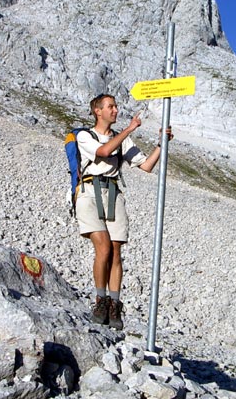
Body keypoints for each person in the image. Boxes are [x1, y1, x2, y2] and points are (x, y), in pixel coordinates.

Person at [75, 93, 173, 330]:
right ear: (97, 111)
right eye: (111, 106)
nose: (115, 110)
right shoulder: (85, 136)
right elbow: (104, 152)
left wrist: (162, 144)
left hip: (114, 194)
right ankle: (100, 300)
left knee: (116, 251)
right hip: (89, 192)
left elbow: (146, 165)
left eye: (116, 106)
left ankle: (114, 305)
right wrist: (129, 130)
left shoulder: (121, 140)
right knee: (104, 247)